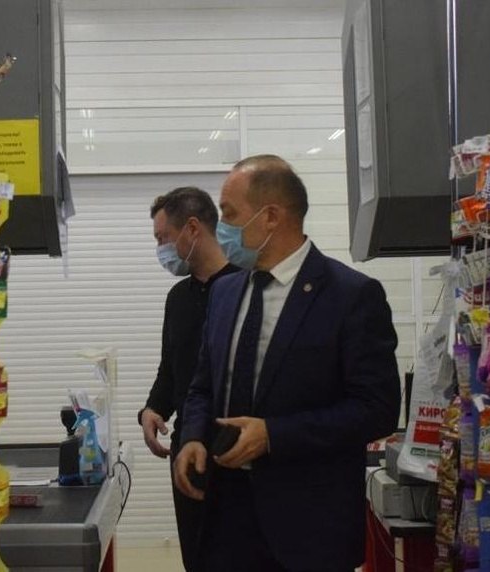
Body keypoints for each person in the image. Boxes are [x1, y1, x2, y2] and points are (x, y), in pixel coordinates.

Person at [173, 155, 401, 572]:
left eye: (229, 214)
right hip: (225, 522)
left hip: (308, 531)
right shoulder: (225, 293)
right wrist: (192, 436)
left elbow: (377, 409)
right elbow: (202, 385)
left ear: (271, 217)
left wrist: (274, 435)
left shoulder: (350, 297)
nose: (220, 228)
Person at [140, 186, 239, 571]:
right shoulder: (178, 298)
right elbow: (171, 368)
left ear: (192, 229)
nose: (161, 249)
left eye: (163, 238)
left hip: (236, 447)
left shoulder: (246, 287)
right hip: (187, 450)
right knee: (197, 557)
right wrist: (152, 409)